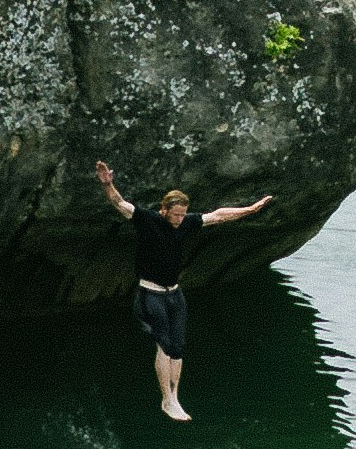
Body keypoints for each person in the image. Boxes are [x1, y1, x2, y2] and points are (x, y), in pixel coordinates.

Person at [93, 155, 277, 426]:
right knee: (164, 344)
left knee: (178, 347)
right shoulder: (147, 220)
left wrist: (250, 210)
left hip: (174, 294)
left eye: (182, 214)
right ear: (164, 210)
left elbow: (218, 215)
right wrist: (108, 184)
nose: (179, 219)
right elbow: (119, 203)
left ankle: (175, 397)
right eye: (175, 215)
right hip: (150, 294)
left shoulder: (186, 223)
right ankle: (166, 398)